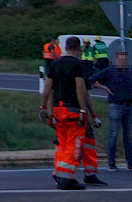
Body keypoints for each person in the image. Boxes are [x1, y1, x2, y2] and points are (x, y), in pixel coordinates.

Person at [40, 36, 104, 189]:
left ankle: (59, 173)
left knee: (62, 143)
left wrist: (44, 108)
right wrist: (83, 111)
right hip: (72, 109)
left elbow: (48, 88)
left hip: (58, 110)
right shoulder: (78, 64)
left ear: (66, 47)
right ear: (79, 47)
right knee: (73, 145)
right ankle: (66, 178)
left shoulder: (55, 64)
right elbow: (80, 89)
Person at [90, 47, 132, 171]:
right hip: (116, 105)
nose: (123, 62)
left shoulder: (130, 71)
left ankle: (130, 162)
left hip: (129, 105)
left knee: (128, 136)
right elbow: (92, 80)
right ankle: (111, 163)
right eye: (121, 59)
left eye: (125, 59)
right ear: (116, 60)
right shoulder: (110, 71)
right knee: (113, 134)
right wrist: (104, 88)